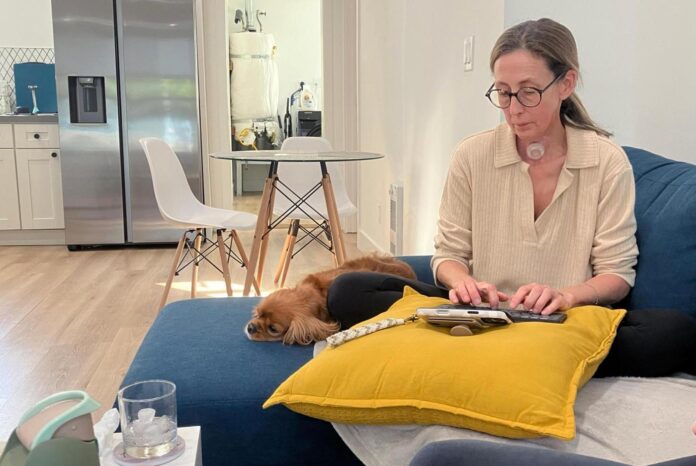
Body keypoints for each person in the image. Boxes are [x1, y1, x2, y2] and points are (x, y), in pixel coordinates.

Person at [327, 18, 696, 377]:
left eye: (528, 92)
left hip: (565, 320)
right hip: (482, 315)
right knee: (348, 290)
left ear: (566, 84)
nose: (514, 109)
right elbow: (448, 255)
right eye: (503, 93)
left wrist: (566, 296)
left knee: (674, 332)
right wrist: (463, 282)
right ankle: (531, 358)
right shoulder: (472, 155)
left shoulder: (607, 161)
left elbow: (616, 274)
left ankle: (485, 353)